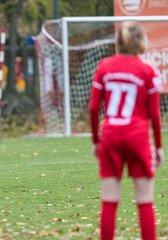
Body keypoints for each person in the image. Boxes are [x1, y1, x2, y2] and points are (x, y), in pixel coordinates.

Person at [89, 21, 164, 240]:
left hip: (111, 135)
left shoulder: (104, 66)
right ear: (142, 41)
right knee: (144, 201)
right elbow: (155, 116)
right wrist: (158, 147)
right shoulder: (147, 70)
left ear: (118, 42)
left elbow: (94, 108)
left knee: (110, 200)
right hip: (138, 137)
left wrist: (96, 140)